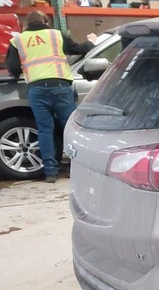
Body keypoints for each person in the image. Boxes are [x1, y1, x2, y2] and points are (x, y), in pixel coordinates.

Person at [5, 10, 96, 182]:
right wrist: (90, 42)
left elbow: (13, 68)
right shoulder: (55, 35)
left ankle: (51, 172)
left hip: (36, 89)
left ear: (26, 24)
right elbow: (77, 48)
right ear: (46, 21)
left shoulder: (18, 40)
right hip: (60, 87)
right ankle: (76, 167)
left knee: (45, 129)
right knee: (69, 128)